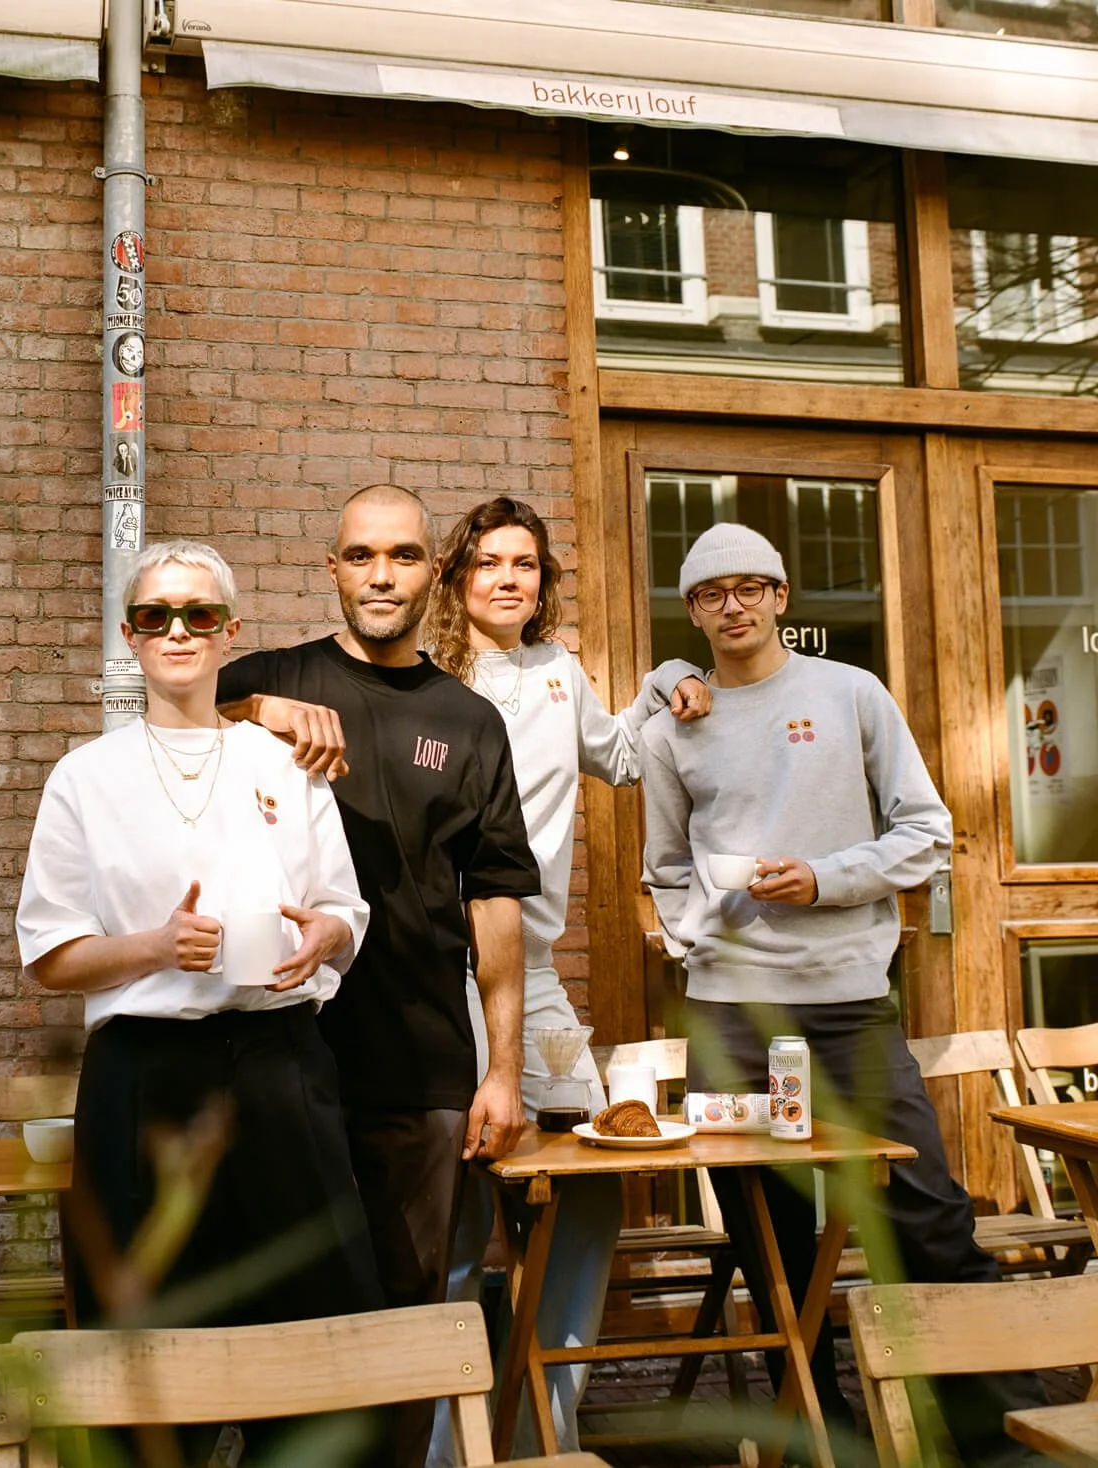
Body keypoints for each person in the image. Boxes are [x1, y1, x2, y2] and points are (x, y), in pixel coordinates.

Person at [639, 521, 1049, 1465]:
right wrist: (697, 936)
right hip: (731, 1014)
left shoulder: (851, 693)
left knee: (927, 1213)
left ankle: (1006, 1436)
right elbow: (665, 864)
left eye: (751, 587)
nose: (733, 606)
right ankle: (817, 1439)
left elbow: (925, 833)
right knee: (770, 1242)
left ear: (782, 596)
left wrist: (824, 879)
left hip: (849, 1006)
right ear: (692, 612)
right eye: (711, 594)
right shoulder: (672, 726)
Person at [216, 484, 541, 1466]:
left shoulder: (469, 720)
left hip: (424, 1065)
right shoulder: (270, 677)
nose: (381, 575)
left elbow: (495, 903)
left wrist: (504, 1069)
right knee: (278, 1301)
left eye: (402, 556)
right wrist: (261, 707)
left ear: (432, 574)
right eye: (361, 557)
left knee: (406, 1314)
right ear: (334, 569)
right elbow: (170, 704)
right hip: (281, 1057)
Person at [15, 540, 381, 1339]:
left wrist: (326, 934)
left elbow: (343, 907)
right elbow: (49, 953)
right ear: (130, 635)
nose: (177, 630)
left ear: (228, 632)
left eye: (199, 614)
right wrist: (156, 947)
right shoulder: (84, 776)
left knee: (318, 1316)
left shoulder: (287, 764)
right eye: (156, 615)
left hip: (281, 1064)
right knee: (142, 1329)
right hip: (145, 1074)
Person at [422, 495, 709, 1460]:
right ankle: (445, 1437)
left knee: (592, 1179)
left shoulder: (558, 675)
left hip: (531, 973)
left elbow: (624, 757)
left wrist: (669, 675)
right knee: (452, 1202)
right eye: (490, 562)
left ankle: (551, 1409)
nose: (510, 578)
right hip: (429, 973)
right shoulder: (421, 679)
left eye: (528, 564)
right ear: (458, 577)